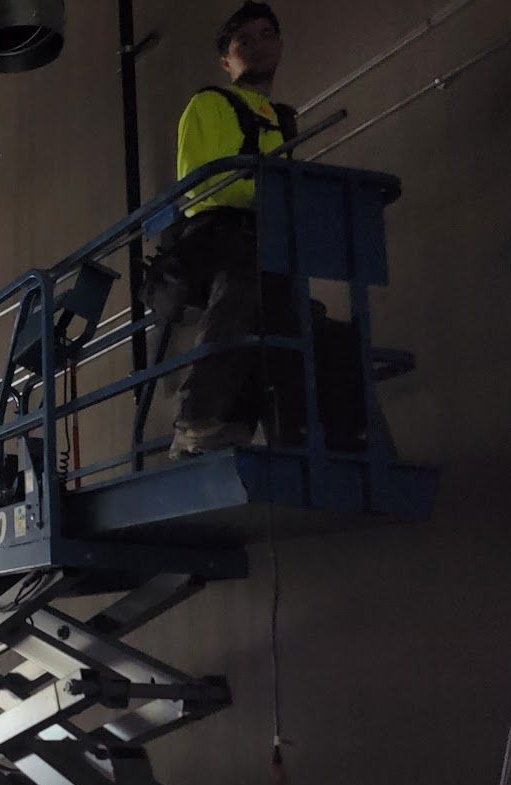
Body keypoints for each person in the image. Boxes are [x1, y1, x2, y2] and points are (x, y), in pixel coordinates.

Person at [161, 2, 307, 457]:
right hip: (213, 235)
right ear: (226, 61)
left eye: (266, 35)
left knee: (290, 312)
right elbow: (200, 186)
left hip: (264, 237)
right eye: (244, 40)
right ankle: (195, 416)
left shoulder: (282, 119)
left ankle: (240, 422)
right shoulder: (209, 104)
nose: (258, 45)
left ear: (280, 44)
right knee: (245, 280)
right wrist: (265, 195)